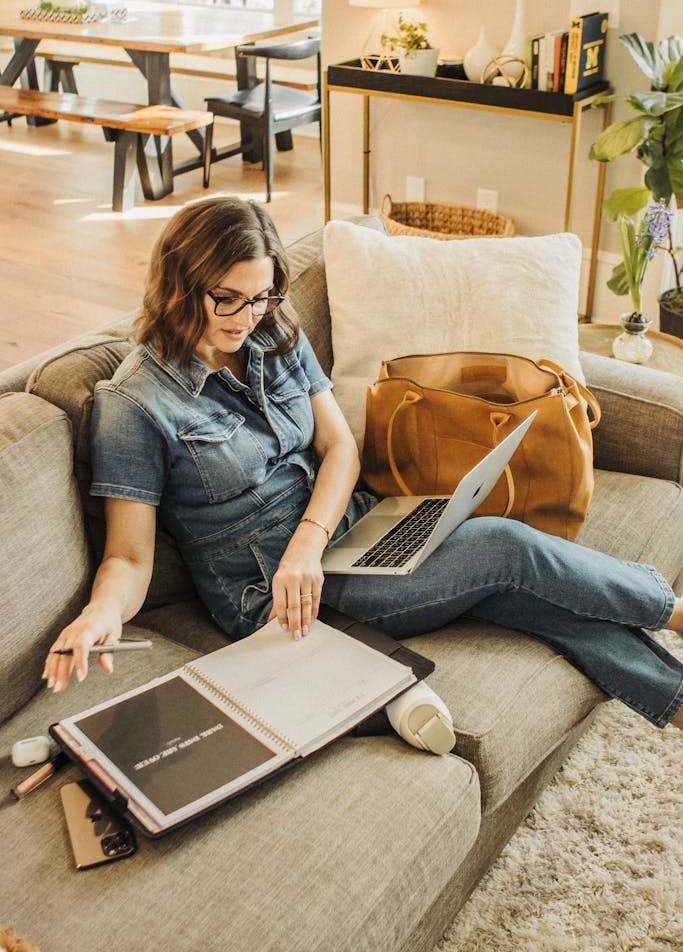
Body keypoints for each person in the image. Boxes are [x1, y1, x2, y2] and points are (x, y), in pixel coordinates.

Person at [43, 197, 683, 733]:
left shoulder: (272, 333)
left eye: (262, 295)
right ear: (180, 284)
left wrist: (310, 535)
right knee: (511, 550)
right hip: (280, 593)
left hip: (352, 527)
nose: (249, 316)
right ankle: (672, 609)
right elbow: (127, 558)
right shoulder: (133, 404)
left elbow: (339, 447)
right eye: (228, 299)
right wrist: (100, 615)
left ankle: (675, 705)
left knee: (522, 595)